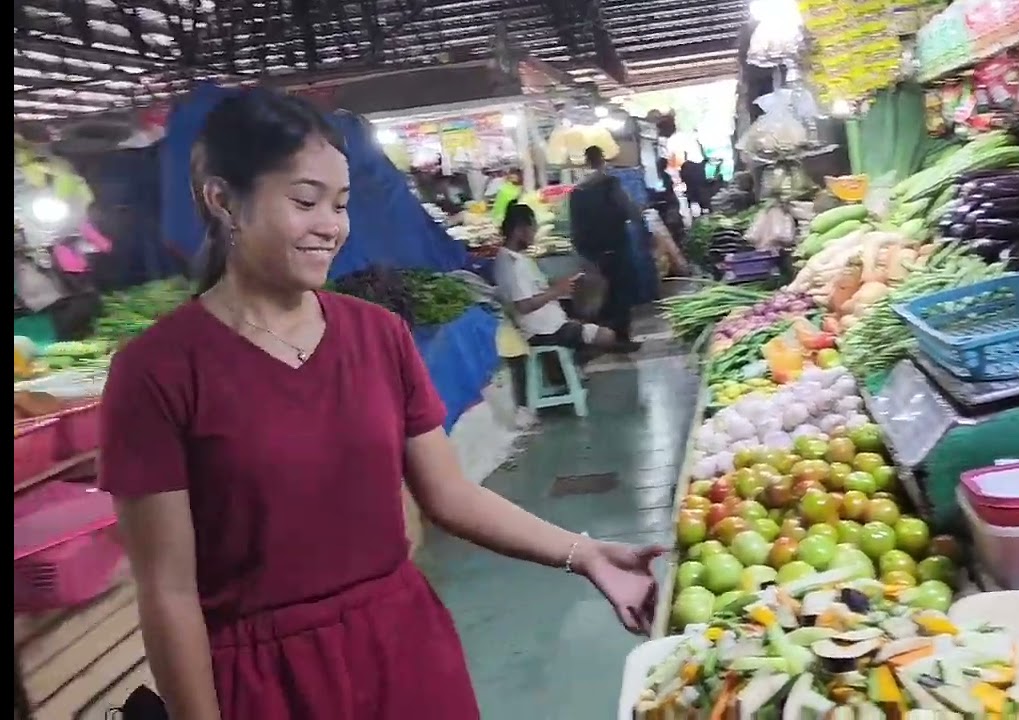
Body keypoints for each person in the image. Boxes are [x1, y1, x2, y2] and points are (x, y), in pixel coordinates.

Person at [98, 89, 664, 720]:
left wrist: (582, 552)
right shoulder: (156, 373)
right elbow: (168, 591)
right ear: (224, 199)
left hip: (403, 650)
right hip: (266, 683)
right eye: (304, 200)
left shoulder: (378, 335)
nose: (331, 225)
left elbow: (450, 496)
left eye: (340, 205)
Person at [494, 203, 630, 352]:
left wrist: (558, 286)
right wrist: (557, 290)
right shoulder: (513, 265)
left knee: (593, 300)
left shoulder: (507, 257)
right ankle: (579, 354)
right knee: (607, 336)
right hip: (544, 331)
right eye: (532, 229)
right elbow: (524, 306)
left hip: (549, 321)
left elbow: (531, 291)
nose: (534, 235)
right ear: (520, 230)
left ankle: (586, 340)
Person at [568, 145, 645, 347]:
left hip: (591, 251)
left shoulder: (576, 189)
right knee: (621, 293)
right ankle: (620, 338)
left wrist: (582, 251)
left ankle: (604, 337)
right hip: (614, 245)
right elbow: (628, 210)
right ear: (601, 159)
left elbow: (574, 225)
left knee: (602, 294)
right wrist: (640, 221)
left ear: (586, 160)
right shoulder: (609, 183)